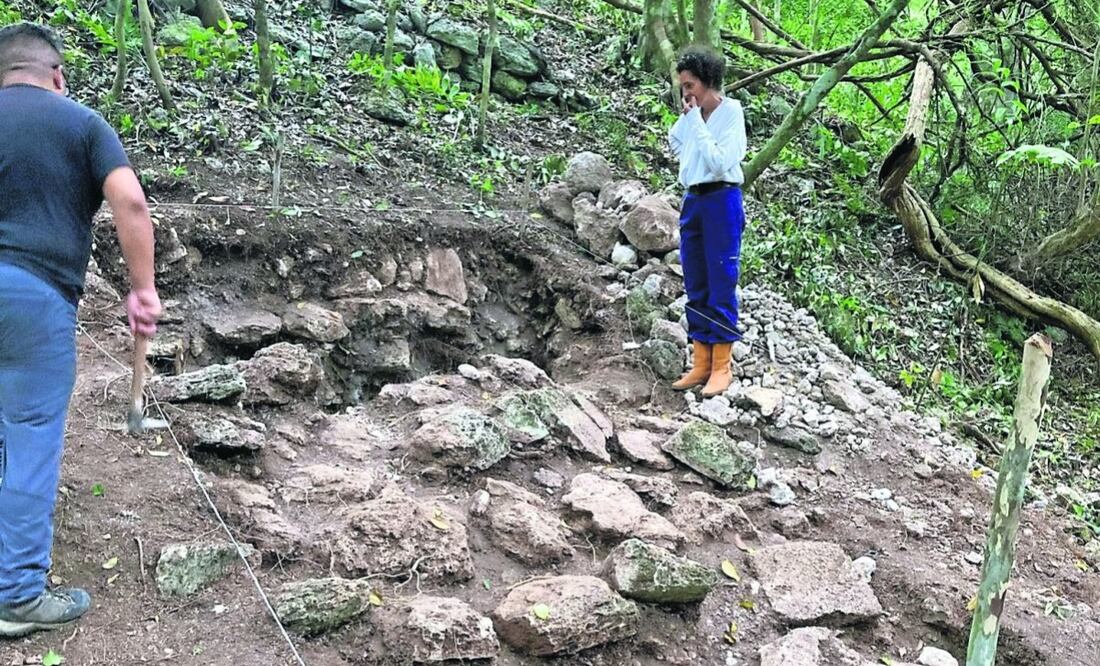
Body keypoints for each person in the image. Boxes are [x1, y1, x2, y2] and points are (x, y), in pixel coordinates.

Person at [0, 23, 160, 637]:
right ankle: (17, 595)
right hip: (34, 294)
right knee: (30, 432)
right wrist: (142, 290)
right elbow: (131, 203)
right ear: (58, 76)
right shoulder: (84, 124)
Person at [667, 46, 748, 398]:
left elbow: (719, 161)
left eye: (691, 85)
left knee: (721, 278)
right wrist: (691, 129)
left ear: (708, 81)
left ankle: (721, 366)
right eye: (683, 86)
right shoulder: (692, 118)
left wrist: (696, 125)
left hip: (721, 199)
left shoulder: (731, 113)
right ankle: (700, 361)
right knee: (696, 277)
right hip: (694, 200)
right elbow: (675, 142)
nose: (686, 93)